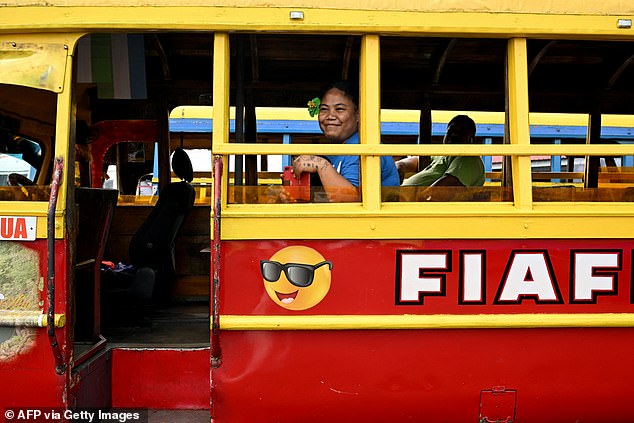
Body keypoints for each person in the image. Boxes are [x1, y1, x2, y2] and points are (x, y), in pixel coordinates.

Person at [291, 81, 400, 202]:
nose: (330, 116)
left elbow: (350, 200)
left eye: (340, 109)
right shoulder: (335, 151)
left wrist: (320, 165)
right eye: (324, 109)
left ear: (358, 114)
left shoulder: (361, 146)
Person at [395, 115, 485, 187]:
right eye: (450, 131)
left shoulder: (469, 160)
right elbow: (417, 161)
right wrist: (401, 165)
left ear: (472, 139)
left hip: (418, 206)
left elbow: (440, 192)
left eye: (460, 133)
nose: (453, 135)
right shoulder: (443, 156)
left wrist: (411, 199)